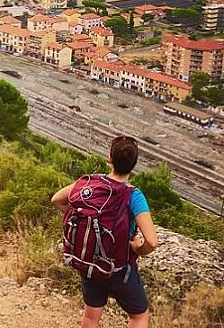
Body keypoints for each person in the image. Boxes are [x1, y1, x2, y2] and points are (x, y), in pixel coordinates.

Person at [51, 136, 159, 328]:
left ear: (110, 158)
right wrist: (136, 248)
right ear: (134, 165)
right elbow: (151, 241)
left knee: (91, 318)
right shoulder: (133, 195)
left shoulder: (90, 184)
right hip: (117, 268)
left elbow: (57, 199)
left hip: (89, 263)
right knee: (139, 316)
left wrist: (80, 217)